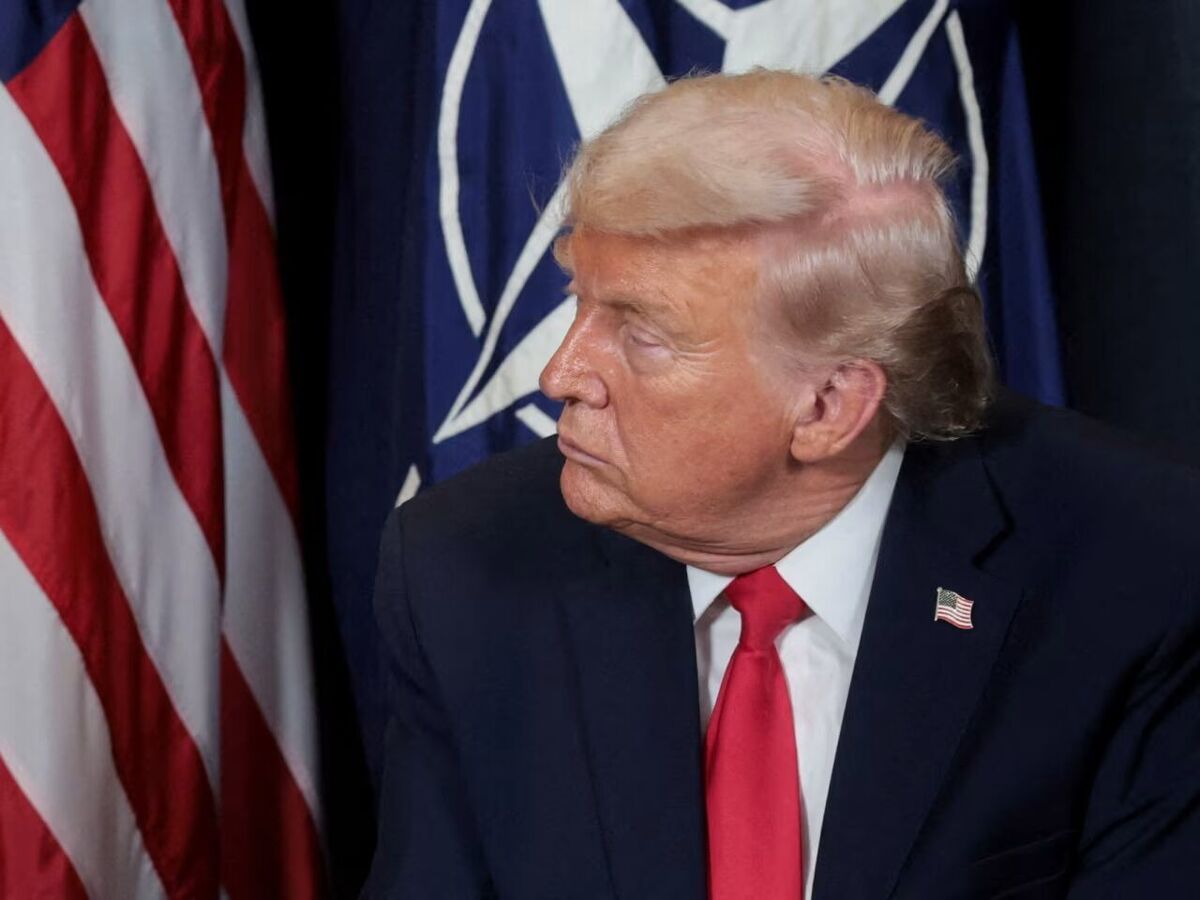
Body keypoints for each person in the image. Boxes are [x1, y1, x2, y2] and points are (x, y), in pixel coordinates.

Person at [363, 71, 1200, 899]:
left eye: (642, 335)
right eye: (579, 301)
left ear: (829, 407)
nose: (560, 374)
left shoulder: (1145, 570)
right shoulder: (464, 567)